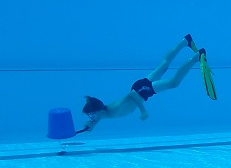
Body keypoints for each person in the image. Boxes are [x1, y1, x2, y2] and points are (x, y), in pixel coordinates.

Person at [80, 34, 209, 132]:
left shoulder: (113, 110)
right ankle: (185, 41)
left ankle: (197, 57)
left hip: (140, 91)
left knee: (174, 83)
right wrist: (92, 125)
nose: (92, 118)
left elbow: (131, 95)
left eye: (91, 115)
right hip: (139, 88)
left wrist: (143, 111)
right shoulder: (104, 113)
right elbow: (99, 116)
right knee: (163, 66)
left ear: (98, 111)